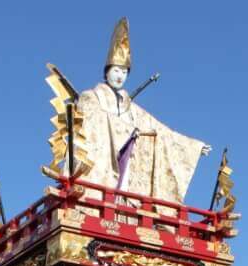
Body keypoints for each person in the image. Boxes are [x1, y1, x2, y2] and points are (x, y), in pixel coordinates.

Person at [73, 18, 210, 203]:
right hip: (101, 175)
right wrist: (127, 131)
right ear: (107, 72)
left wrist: (192, 147)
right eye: (116, 70)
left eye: (124, 72)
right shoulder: (91, 97)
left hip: (127, 174)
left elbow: (161, 132)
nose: (120, 76)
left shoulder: (131, 109)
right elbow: (91, 125)